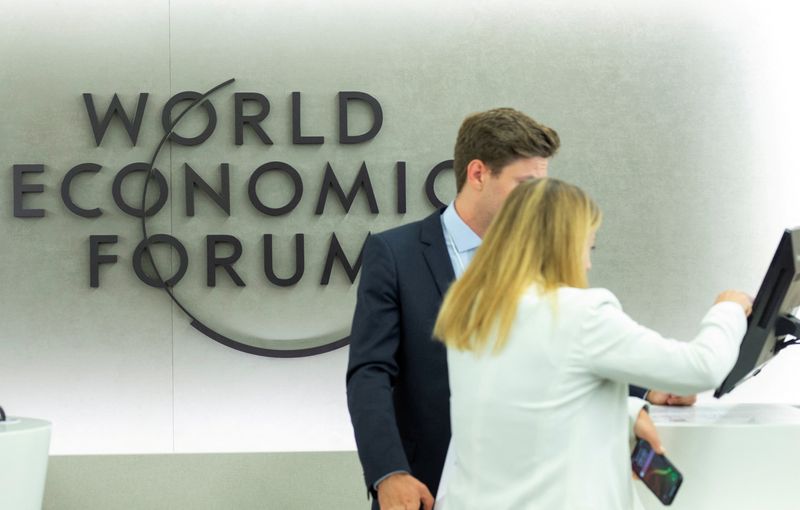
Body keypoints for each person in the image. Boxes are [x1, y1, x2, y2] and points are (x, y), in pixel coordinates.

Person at [346, 108, 679, 510]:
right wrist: (389, 473)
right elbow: (370, 373)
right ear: (478, 174)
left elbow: (573, 342)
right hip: (425, 489)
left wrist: (647, 385)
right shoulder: (394, 254)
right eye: (525, 185)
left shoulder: (542, 253)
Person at [433, 178, 751, 509]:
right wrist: (728, 309)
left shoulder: (472, 311)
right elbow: (700, 367)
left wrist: (625, 412)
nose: (587, 263)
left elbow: (519, 409)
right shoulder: (579, 314)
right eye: (589, 247)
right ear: (564, 245)